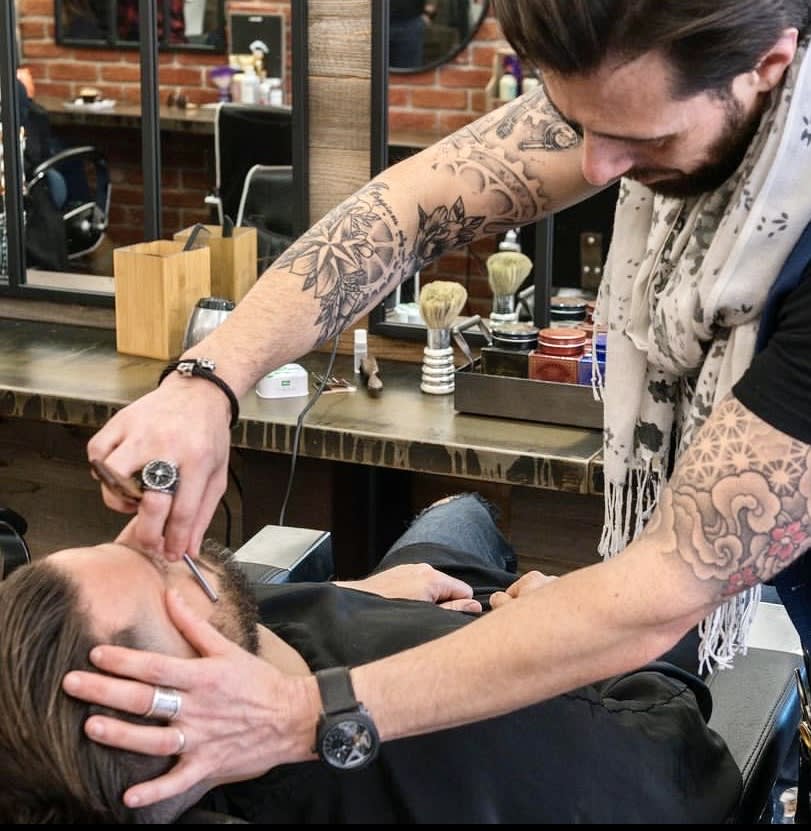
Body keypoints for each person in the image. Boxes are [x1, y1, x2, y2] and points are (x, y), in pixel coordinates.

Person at [71, 0, 811, 810]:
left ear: (769, 68)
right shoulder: (656, 95)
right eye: (574, 120)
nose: (596, 167)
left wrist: (304, 713)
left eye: (644, 139)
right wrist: (206, 380)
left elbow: (668, 584)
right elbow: (411, 208)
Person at [1, 495, 741, 823]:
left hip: (383, 608)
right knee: (664, 585)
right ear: (191, 691)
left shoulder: (201, 727)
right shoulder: (488, 745)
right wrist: (581, 638)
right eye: (164, 570)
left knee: (455, 516)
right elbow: (687, 767)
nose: (163, 533)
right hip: (510, 642)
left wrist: (352, 593)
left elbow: (249, 616)